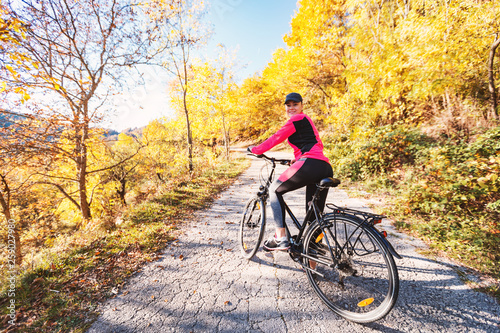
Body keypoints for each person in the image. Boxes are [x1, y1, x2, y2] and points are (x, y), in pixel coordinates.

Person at [249, 92, 333, 251]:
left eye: (295, 104)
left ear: (301, 106)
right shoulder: (307, 122)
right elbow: (316, 145)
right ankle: (312, 260)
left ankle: (280, 237)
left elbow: (276, 137)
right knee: (313, 217)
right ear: (285, 107)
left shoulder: (298, 118)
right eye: (289, 105)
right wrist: (298, 158)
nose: (292, 108)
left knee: (274, 189)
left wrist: (256, 149)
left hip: (311, 163)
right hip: (324, 166)